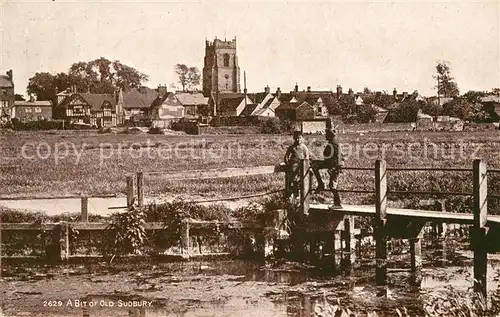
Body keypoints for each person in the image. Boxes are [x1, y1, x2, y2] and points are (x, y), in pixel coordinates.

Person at [312, 128, 343, 208]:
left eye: (327, 134)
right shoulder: (332, 143)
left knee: (332, 185)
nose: (325, 135)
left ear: (330, 135)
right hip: (329, 164)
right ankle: (320, 183)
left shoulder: (334, 144)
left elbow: (339, 156)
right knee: (315, 166)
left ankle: (337, 204)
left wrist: (336, 167)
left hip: (334, 166)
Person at [284, 130, 310, 197]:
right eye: (297, 138)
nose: (298, 139)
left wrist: (305, 163)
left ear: (302, 138)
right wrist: (287, 163)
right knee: (294, 180)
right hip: (293, 166)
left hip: (302, 166)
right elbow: (286, 156)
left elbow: (307, 156)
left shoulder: (304, 147)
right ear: (294, 138)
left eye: (300, 138)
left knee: (302, 180)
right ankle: (294, 195)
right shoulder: (292, 147)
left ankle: (303, 195)